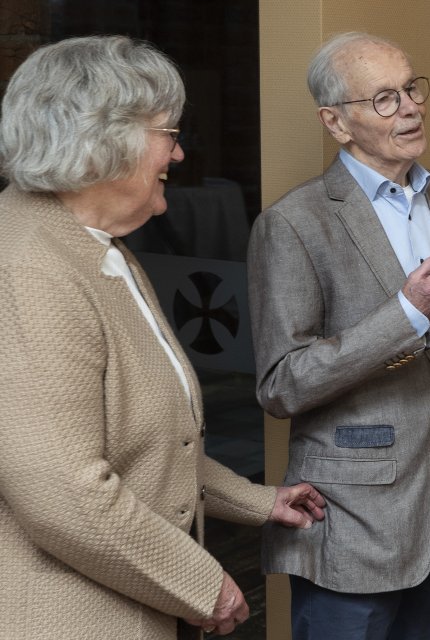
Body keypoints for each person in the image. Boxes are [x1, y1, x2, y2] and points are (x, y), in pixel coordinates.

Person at [0, 35, 327, 640]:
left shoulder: (100, 249)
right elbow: (60, 491)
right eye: (167, 133)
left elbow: (151, 445)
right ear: (104, 140)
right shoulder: (31, 269)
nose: (177, 155)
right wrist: (198, 581)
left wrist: (258, 501)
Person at [247, 31, 430, 640]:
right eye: (385, 99)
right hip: (351, 514)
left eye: (411, 89)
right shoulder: (293, 224)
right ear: (336, 123)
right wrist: (407, 315)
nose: (412, 107)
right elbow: (280, 384)